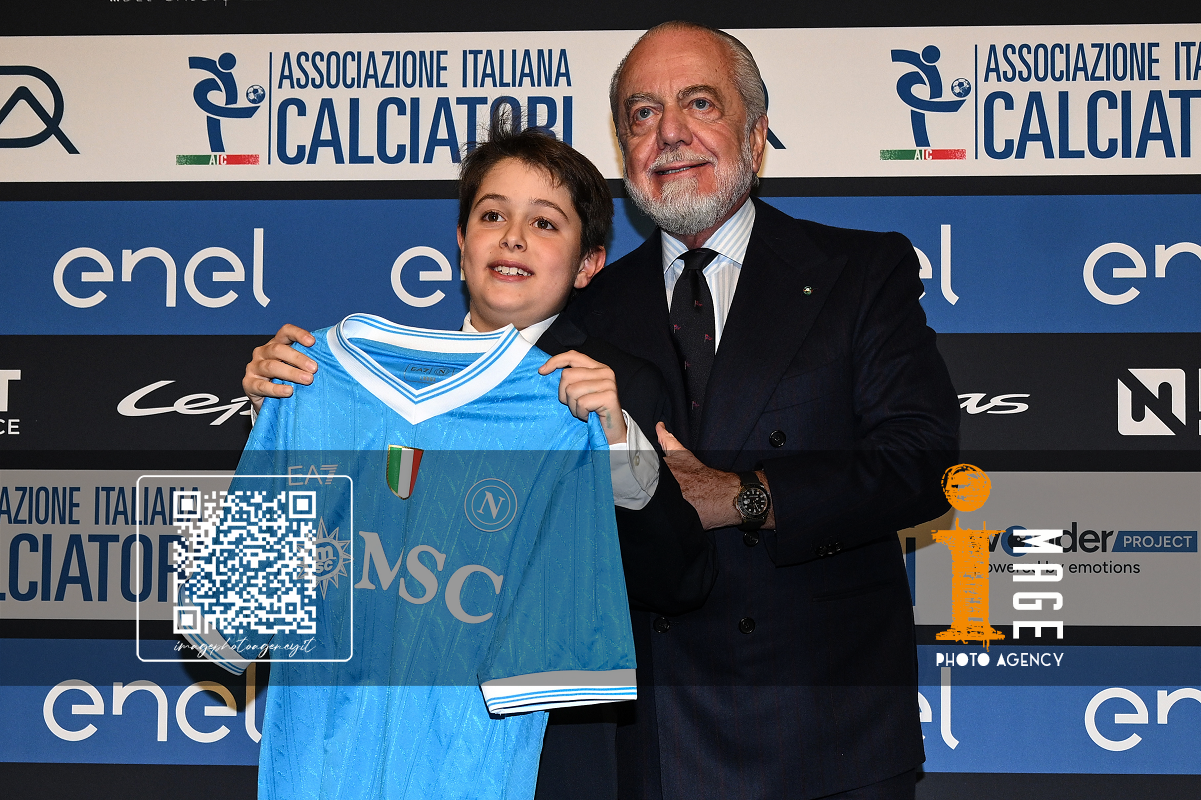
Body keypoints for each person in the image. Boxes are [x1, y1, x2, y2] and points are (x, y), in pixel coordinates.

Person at [244, 20, 959, 799]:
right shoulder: (566, 326)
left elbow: (922, 463)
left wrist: (744, 496)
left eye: (699, 103)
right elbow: (411, 493)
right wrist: (288, 414)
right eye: (642, 113)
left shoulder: (859, 269)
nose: (669, 131)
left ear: (756, 135)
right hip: (639, 746)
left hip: (825, 730)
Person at [241, 122, 715, 799]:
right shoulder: (340, 380)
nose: (513, 237)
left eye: (544, 223)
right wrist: (282, 419)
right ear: (461, 245)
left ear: (589, 264)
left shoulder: (610, 390)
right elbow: (272, 577)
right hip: (353, 747)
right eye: (492, 215)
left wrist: (613, 443)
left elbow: (680, 580)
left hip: (543, 761)